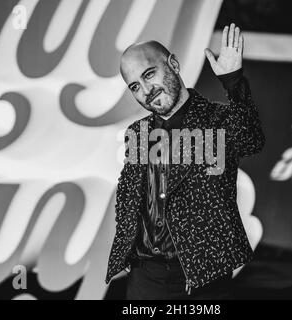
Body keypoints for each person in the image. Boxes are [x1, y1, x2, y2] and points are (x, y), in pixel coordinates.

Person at [105, 23, 265, 299]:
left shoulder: (218, 121)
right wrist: (130, 255)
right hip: (146, 278)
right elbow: (129, 195)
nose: (146, 90)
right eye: (135, 86)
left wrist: (233, 81)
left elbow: (251, 140)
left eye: (149, 74)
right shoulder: (137, 133)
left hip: (203, 276)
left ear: (174, 64)